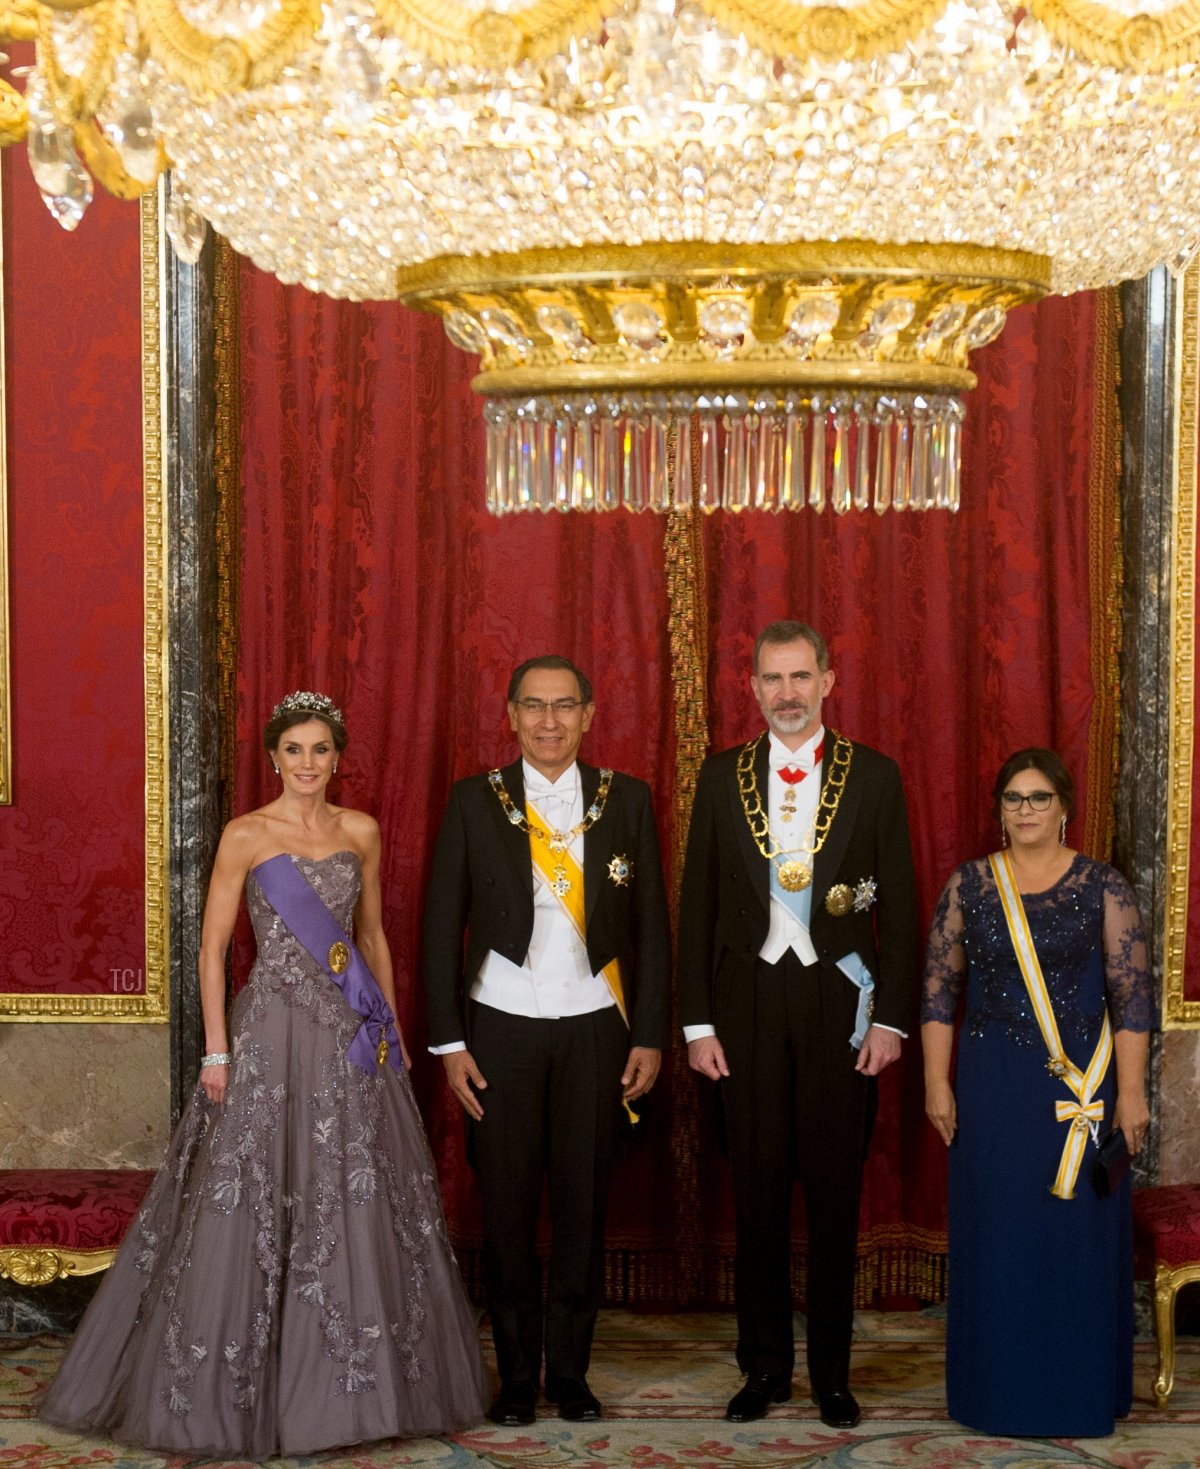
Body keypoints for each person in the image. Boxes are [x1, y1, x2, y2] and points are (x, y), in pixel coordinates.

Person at [40, 691, 488, 1457]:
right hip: (270, 1036)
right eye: (293, 750)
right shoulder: (246, 834)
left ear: (337, 757)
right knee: (248, 1202)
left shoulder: (361, 832)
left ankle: (351, 1391)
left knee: (350, 1202)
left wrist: (393, 1029)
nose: (307, 763)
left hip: (349, 1039)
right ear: (273, 757)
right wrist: (218, 1050)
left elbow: (372, 937)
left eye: (320, 750)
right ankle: (235, 1393)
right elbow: (213, 948)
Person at [678, 620, 917, 1428]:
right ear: (752, 686)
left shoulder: (875, 777)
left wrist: (890, 1020)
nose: (787, 692)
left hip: (838, 1007)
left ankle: (832, 1376)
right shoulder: (720, 778)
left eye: (801, 677)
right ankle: (764, 1367)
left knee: (835, 1198)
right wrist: (696, 1024)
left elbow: (905, 913)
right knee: (757, 1198)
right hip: (743, 1005)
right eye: (772, 679)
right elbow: (697, 908)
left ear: (828, 678)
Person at [423, 654, 670, 1427]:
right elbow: (439, 929)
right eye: (534, 705)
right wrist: (449, 1043)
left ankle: (570, 1374)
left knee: (581, 1206)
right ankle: (518, 1379)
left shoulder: (625, 799)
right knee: (505, 1209)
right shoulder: (474, 800)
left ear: (590, 714)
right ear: (510, 713)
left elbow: (653, 931)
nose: (550, 721)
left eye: (565, 706)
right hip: (500, 1024)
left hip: (598, 1023)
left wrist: (653, 1034)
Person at [921, 747, 1154, 1437]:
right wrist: (938, 1082)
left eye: (1039, 797)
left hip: (1078, 1088)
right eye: (1014, 798)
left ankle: (1076, 1391)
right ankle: (995, 1392)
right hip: (992, 1090)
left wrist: (1133, 1094)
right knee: (1000, 1236)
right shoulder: (970, 885)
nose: (1025, 810)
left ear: (1064, 806)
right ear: (999, 811)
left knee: (1073, 1238)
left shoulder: (1103, 886)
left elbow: (1132, 1000)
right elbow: (938, 992)